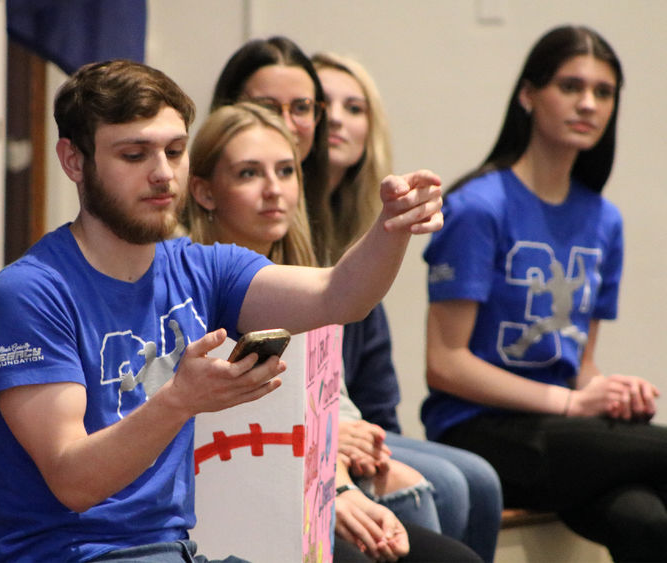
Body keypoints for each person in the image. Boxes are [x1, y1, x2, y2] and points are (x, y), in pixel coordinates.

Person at [0, 59, 444, 563]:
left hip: (170, 550)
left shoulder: (201, 267)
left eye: (175, 152)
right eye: (134, 154)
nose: (161, 173)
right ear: (73, 160)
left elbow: (339, 296)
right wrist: (179, 400)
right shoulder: (30, 292)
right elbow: (72, 479)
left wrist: (391, 230)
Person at [186, 101, 480, 563]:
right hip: (233, 497)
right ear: (204, 192)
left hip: (312, 479)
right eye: (248, 174)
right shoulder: (188, 286)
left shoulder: (303, 276)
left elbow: (327, 400)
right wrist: (329, 483)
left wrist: (337, 478)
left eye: (286, 171)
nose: (273, 190)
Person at [421, 25, 667, 563]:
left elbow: (580, 363)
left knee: (647, 523)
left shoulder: (605, 220)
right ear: (529, 95)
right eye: (570, 86)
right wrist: (574, 402)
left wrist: (609, 392)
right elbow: (444, 364)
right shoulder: (478, 207)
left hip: (565, 433)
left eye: (604, 93)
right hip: (479, 432)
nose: (588, 103)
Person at [311, 51, 503, 562]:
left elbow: (375, 386)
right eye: (321, 104)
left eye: (354, 107)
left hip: (354, 421)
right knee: (443, 485)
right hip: (312, 427)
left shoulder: (361, 226)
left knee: (479, 480)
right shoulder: (275, 229)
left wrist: (371, 438)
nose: (336, 118)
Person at [210, 35, 334, 266]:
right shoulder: (178, 247)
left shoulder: (329, 216)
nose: (286, 125)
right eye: (267, 108)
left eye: (301, 107)